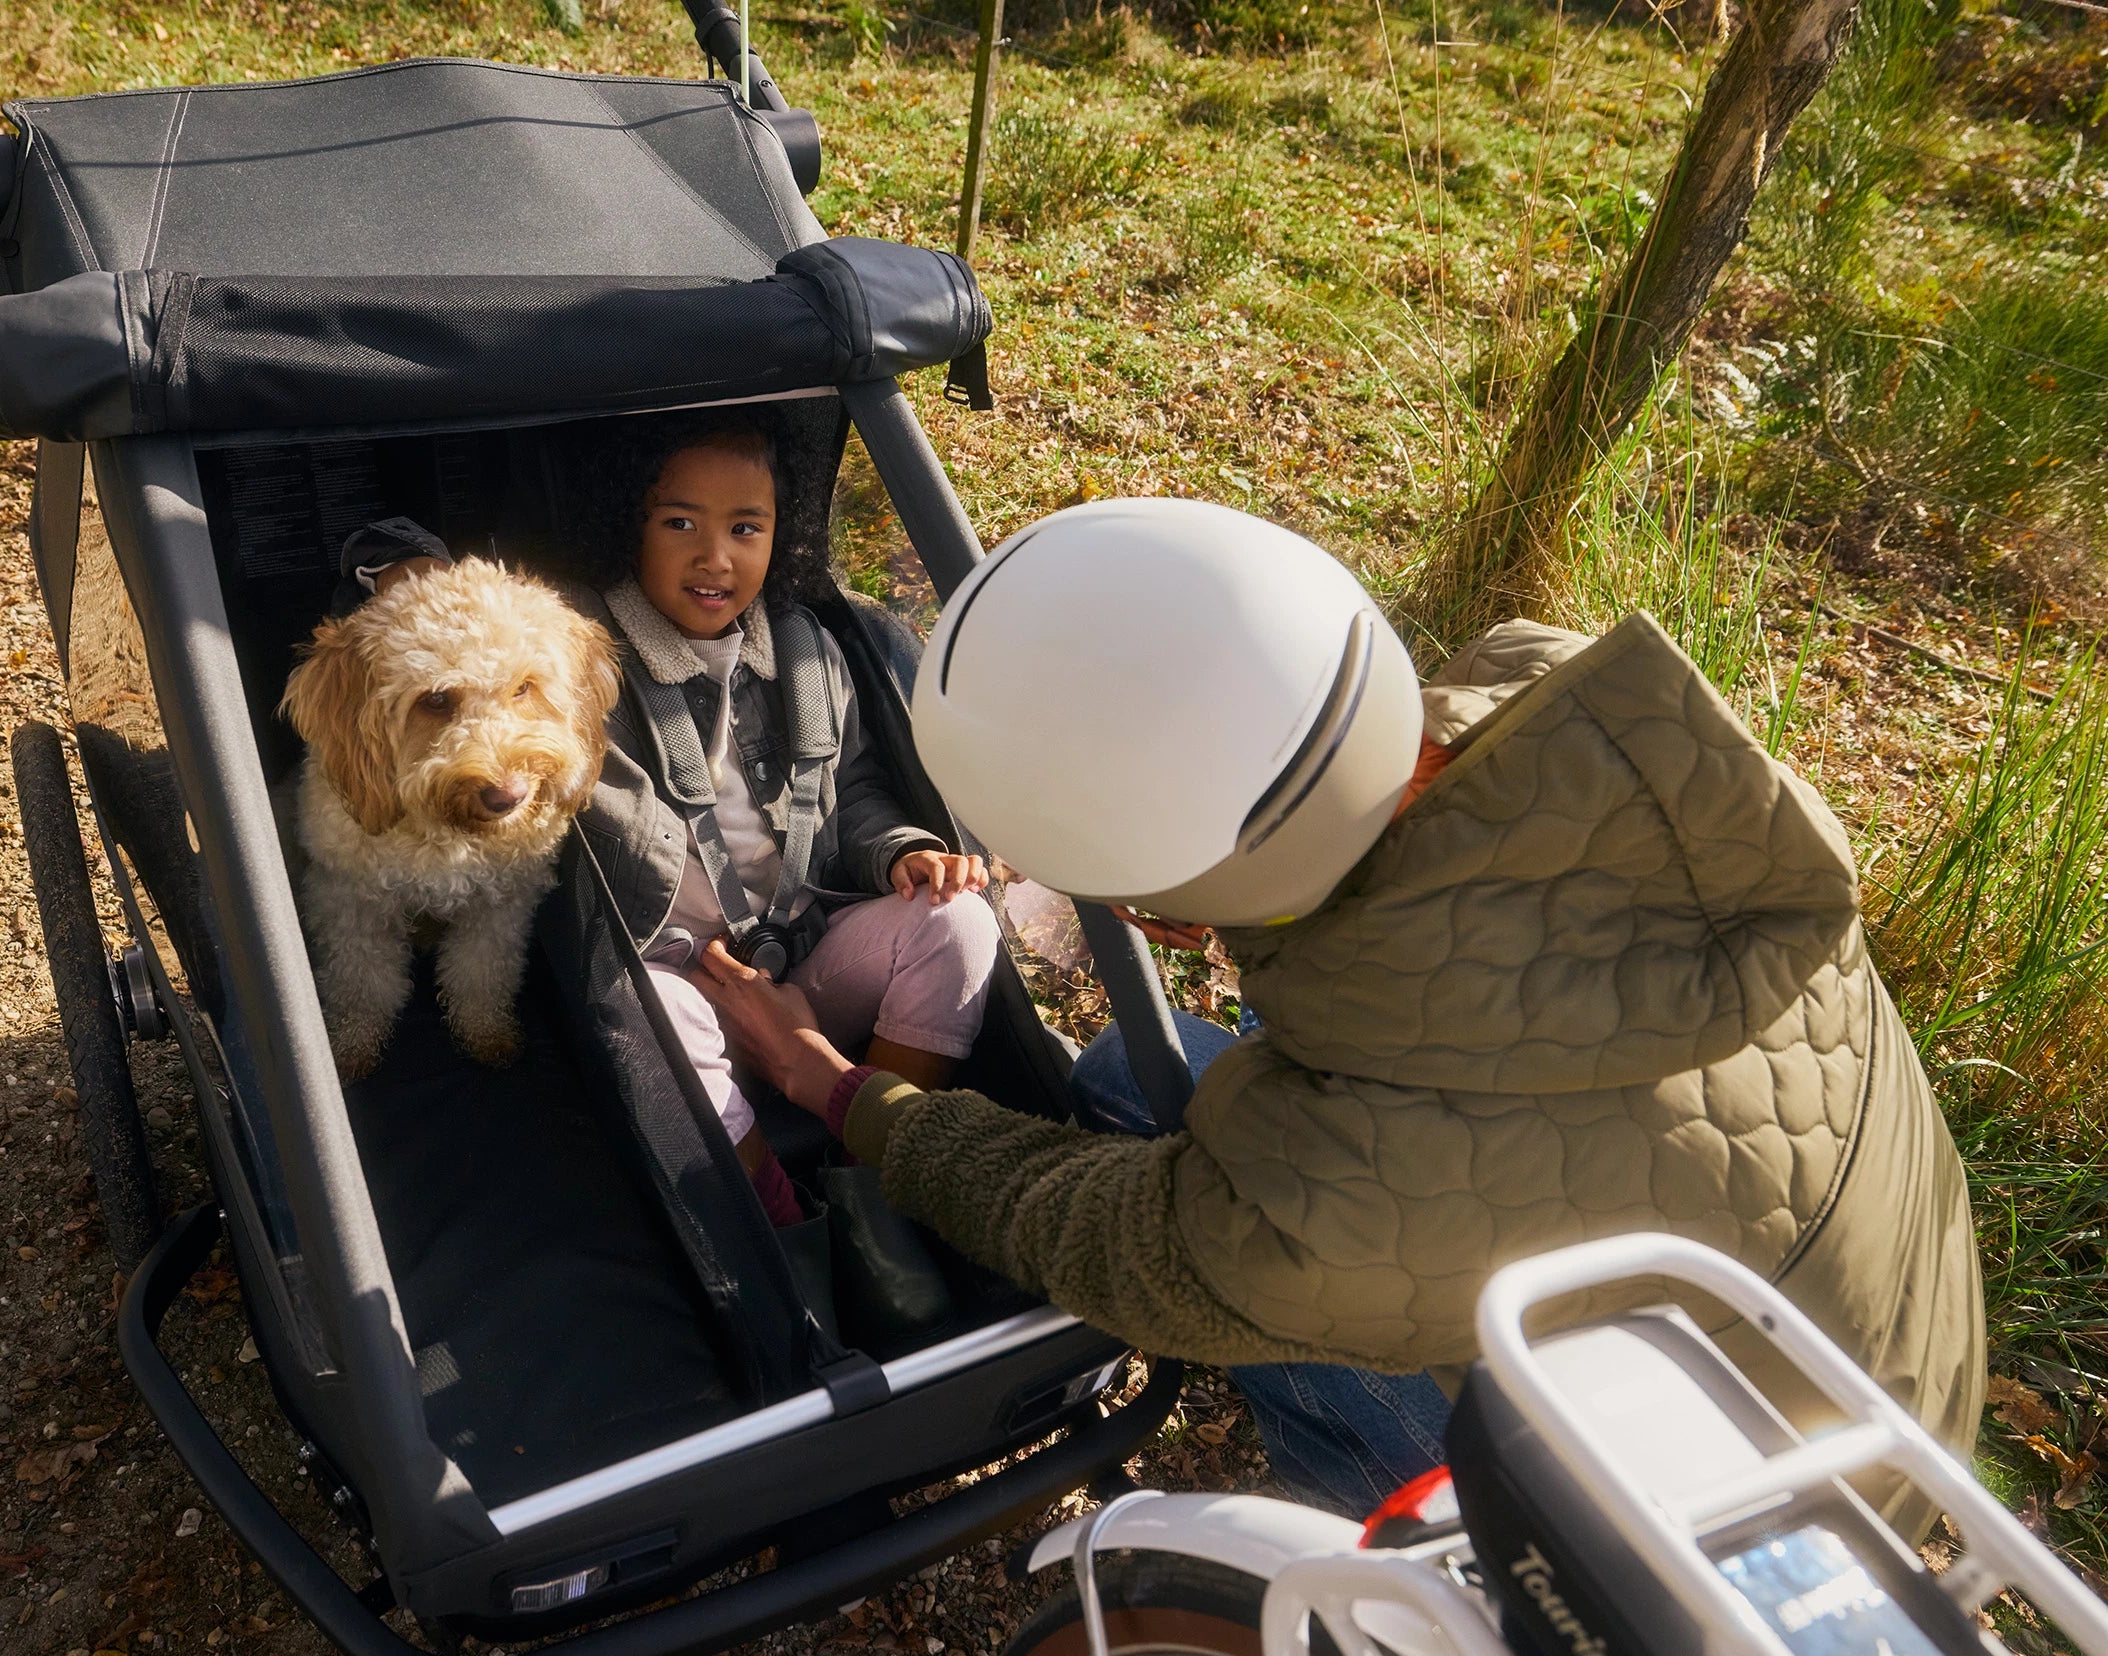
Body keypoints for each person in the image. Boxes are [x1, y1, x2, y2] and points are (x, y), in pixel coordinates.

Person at [688, 498, 1984, 1531]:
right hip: (1902, 1355)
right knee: (1144, 1086)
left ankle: (1388, 1556)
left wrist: (831, 1083)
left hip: (1754, 1525)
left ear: (1166, 919)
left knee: (1234, 1253)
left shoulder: (1323, 1213)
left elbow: (1068, 1221)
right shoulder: (1591, 730)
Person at [574, 412, 1002, 1228]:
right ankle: (782, 1227)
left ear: (781, 534)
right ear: (628, 528)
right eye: (679, 524)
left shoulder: (804, 651)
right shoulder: (587, 657)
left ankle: (869, 1192)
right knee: (653, 1014)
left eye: (746, 527)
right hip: (678, 975)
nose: (715, 557)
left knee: (960, 925)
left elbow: (858, 787)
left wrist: (900, 854)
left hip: (803, 955)